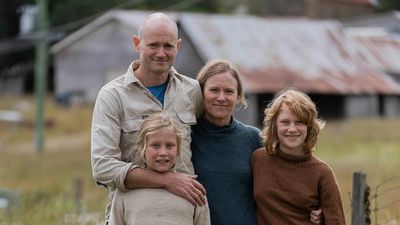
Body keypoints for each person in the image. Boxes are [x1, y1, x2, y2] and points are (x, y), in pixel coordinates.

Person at [91, 12, 205, 223]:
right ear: (137, 43)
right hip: (130, 215)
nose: (161, 53)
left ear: (178, 46)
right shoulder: (112, 95)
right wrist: (166, 180)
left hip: (182, 214)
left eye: (168, 46)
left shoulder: (192, 91)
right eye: (153, 45)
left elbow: (211, 138)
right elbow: (102, 167)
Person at [191, 59, 323, 225]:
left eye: (229, 91)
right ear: (201, 92)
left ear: (238, 96)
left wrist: (316, 207)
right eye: (214, 90)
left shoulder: (253, 138)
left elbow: (285, 178)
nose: (221, 97)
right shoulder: (187, 136)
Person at [252, 88, 346, 225]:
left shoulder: (322, 173)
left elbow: (336, 221)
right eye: (285, 122)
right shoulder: (258, 159)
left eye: (299, 122)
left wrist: (323, 220)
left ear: (309, 127)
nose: (292, 129)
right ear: (274, 126)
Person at [109, 112, 211, 225]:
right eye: (155, 145)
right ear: (143, 148)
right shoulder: (124, 191)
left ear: (178, 149)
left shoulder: (193, 191)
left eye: (169, 145)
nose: (163, 152)